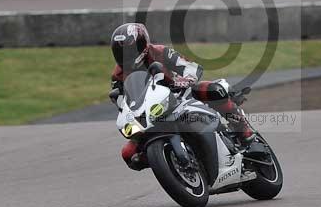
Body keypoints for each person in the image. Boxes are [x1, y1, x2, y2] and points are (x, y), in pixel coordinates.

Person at [108, 22, 254, 170]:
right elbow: (122, 101)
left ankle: (245, 133)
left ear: (143, 44)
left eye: (130, 50)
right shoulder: (118, 75)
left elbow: (192, 67)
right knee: (128, 154)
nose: (126, 56)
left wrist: (184, 81)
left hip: (180, 94)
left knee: (211, 89)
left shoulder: (160, 52)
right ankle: (168, 162)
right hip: (150, 111)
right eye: (120, 52)